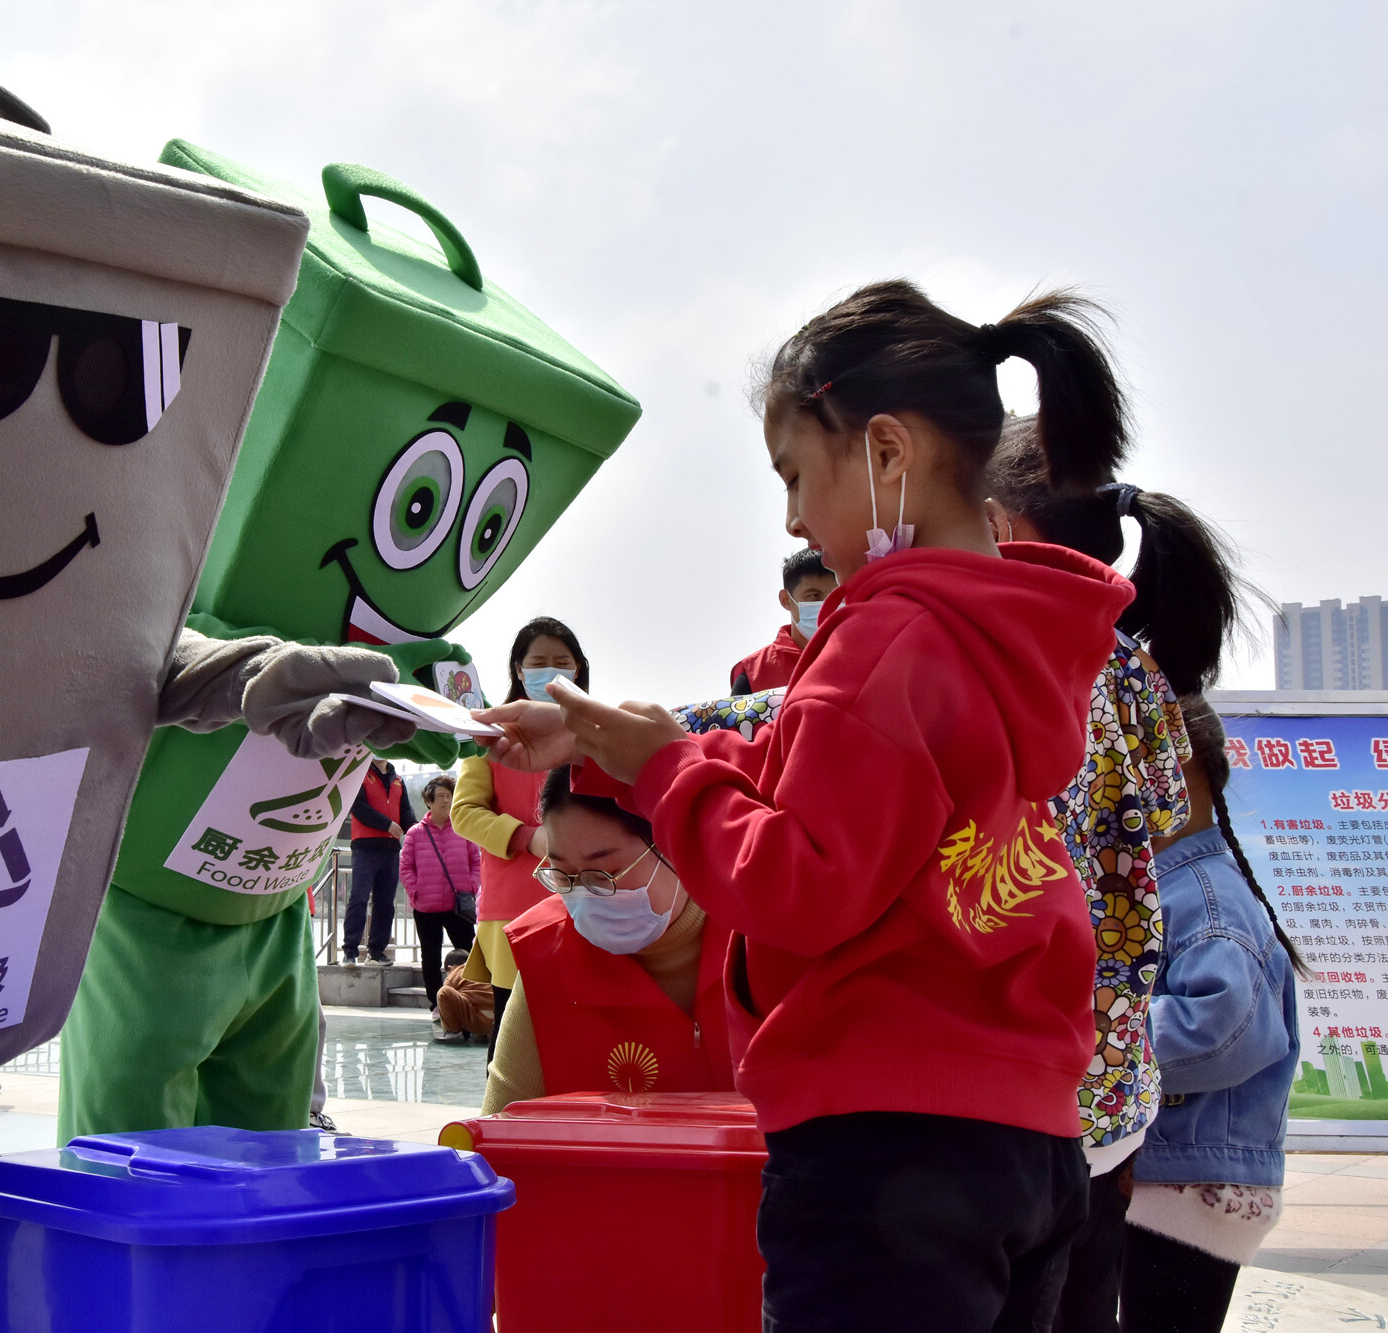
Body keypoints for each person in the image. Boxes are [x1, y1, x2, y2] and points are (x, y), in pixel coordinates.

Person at [480, 280, 1138, 1332]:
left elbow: (796, 881)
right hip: (1027, 1139)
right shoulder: (1010, 640)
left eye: (793, 474)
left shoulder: (883, 639)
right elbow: (797, 763)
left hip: (886, 1147)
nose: (789, 516)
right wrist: (624, 747)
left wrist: (664, 771)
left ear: (884, 453)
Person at [987, 415, 1254, 1332]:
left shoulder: (1031, 667)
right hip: (1108, 1109)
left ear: (998, 531)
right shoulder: (1130, 669)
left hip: (1034, 1113)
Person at [1121, 697, 1303, 1332]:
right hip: (1184, 1172)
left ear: (1182, 770)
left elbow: (1225, 1030)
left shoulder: (1203, 894)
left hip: (1190, 1180)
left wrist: (1101, 1038)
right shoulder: (1172, 883)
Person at [482, 767, 733, 1112]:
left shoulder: (766, 942)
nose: (585, 895)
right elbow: (500, 1132)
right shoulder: (546, 961)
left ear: (675, 844)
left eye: (606, 873)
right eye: (564, 875)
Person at [451, 617, 587, 1059]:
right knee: (513, 1033)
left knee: (579, 1026)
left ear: (579, 669)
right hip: (513, 905)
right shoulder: (489, 739)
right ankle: (501, 1123)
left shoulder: (599, 732)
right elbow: (464, 813)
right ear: (518, 670)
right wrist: (526, 837)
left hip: (589, 898)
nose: (552, 671)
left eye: (562, 662)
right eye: (539, 663)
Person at [400, 775, 481, 1015]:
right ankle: (436, 1005)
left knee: (468, 952)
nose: (447, 801)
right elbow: (405, 867)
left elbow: (476, 861)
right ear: (429, 802)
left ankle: (472, 998)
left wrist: (472, 885)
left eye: (450, 796)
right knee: (430, 958)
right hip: (426, 907)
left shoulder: (463, 829)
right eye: (442, 797)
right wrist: (415, 890)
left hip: (459, 904)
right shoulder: (415, 833)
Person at [730, 547, 836, 693]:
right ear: (786, 600)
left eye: (835, 595)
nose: (826, 604)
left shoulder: (865, 659)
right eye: (813, 595)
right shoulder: (753, 672)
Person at [343, 756, 414, 964]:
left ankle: (376, 950)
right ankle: (350, 951)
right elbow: (358, 807)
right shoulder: (359, 775)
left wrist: (421, 832)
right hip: (365, 847)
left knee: (385, 902)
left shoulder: (398, 780)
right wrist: (386, 824)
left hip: (391, 849)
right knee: (359, 898)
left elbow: (407, 813)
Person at [435, 949, 495, 1044]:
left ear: (450, 968)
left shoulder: (456, 972)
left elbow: (446, 1000)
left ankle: (452, 1032)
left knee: (444, 992)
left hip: (477, 1021)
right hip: (495, 1023)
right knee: (477, 999)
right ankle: (483, 1035)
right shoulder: (482, 969)